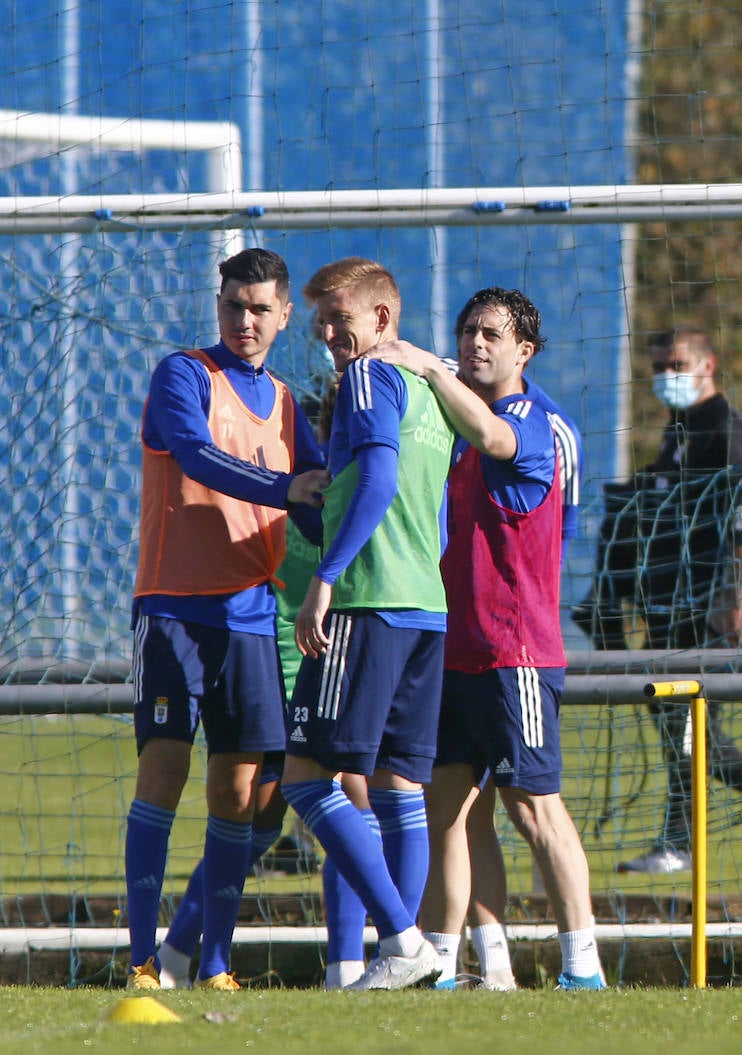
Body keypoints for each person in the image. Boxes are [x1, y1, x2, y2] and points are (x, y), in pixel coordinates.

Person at [367, 287, 606, 991]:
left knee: (532, 805)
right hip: (454, 647)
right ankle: (466, 961)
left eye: (491, 333)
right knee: (448, 806)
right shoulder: (459, 419)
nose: (475, 342)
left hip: (517, 653)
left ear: (523, 351)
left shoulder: (532, 419)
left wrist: (430, 367)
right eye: (468, 329)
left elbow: (498, 439)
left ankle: (581, 966)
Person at [124, 247, 329, 992]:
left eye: (260, 308)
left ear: (282, 316)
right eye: (234, 305)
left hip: (250, 618)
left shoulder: (283, 401)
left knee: (243, 791)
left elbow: (316, 501)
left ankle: (214, 964)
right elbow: (197, 456)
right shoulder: (183, 374)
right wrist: (288, 486)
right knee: (165, 770)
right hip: (175, 606)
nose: (245, 320)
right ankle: (143, 960)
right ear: (219, 306)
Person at [279, 256, 457, 991]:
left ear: (382, 319)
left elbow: (380, 477)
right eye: (320, 317)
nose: (325, 331)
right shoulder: (430, 387)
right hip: (425, 604)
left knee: (306, 778)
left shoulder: (365, 378)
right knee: (398, 789)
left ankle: (404, 939)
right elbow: (438, 516)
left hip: (366, 599)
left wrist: (326, 576)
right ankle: (403, 960)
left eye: (338, 317)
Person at [581, 327, 742, 875]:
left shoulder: (726, 432)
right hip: (669, 600)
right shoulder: (679, 428)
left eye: (677, 365)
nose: (666, 377)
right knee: (676, 721)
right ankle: (704, 825)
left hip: (705, 601)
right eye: (659, 366)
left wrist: (739, 601)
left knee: (685, 722)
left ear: (708, 365)